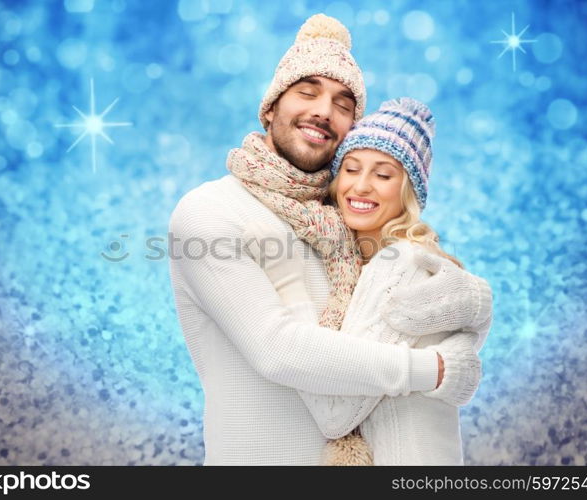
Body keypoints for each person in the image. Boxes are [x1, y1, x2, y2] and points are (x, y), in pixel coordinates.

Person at [167, 13, 490, 465]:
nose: (323, 110)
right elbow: (278, 349)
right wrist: (437, 369)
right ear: (272, 106)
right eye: (307, 91)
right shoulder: (210, 212)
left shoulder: (347, 220)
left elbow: (400, 308)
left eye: (343, 103)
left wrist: (470, 310)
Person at [239, 97, 492, 465]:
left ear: (408, 192)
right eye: (351, 169)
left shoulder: (399, 263)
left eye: (383, 174)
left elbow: (334, 412)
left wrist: (287, 279)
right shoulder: (366, 260)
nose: (361, 186)